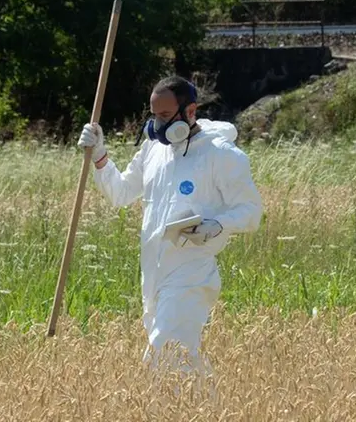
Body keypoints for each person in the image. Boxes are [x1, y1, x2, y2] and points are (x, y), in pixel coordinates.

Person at [77, 75, 263, 374]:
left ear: (190, 111)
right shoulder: (153, 150)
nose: (158, 125)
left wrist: (216, 224)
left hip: (192, 274)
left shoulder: (222, 155)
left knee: (164, 354)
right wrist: (99, 155)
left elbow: (252, 212)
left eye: (165, 116)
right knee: (177, 363)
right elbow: (121, 193)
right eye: (154, 116)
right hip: (152, 275)